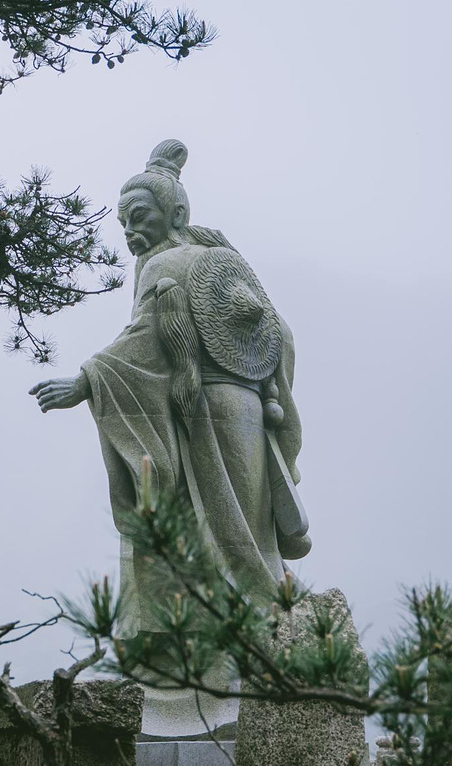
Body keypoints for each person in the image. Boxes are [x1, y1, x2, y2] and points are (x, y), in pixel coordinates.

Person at [30, 139, 309, 625]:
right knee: (247, 526)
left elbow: (144, 336)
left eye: (139, 216)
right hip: (247, 410)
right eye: (123, 224)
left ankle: (231, 623)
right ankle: (276, 613)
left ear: (175, 212)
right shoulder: (224, 259)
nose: (131, 231)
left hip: (205, 411)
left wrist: (87, 380)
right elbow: (279, 334)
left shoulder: (164, 264)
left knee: (219, 526)